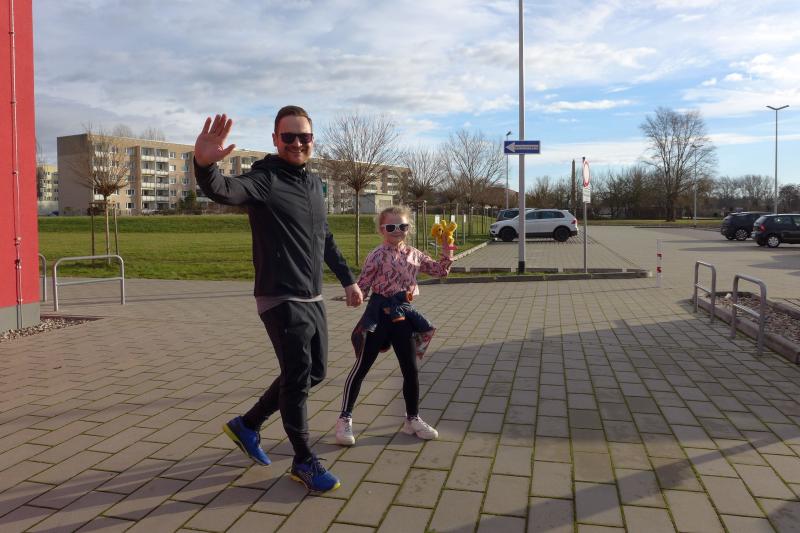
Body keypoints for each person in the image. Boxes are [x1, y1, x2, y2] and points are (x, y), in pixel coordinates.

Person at [193, 107, 363, 493]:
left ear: (313, 140)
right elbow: (225, 189)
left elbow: (324, 236)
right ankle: (303, 459)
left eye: (304, 137)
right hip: (279, 295)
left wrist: (348, 280)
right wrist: (204, 166)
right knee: (298, 376)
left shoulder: (314, 184)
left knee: (314, 372)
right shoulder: (265, 179)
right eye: (289, 137)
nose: (297, 143)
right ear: (275, 139)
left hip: (312, 295)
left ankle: (248, 424)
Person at [335, 206, 453, 446]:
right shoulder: (376, 255)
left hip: (403, 315)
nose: (397, 231)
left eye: (403, 226)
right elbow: (363, 285)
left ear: (409, 228)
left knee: (411, 369)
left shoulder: (414, 254)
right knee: (362, 366)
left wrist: (446, 247)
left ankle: (412, 419)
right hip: (379, 315)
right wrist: (355, 294)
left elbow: (441, 271)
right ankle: (344, 419)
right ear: (382, 230)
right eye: (391, 227)